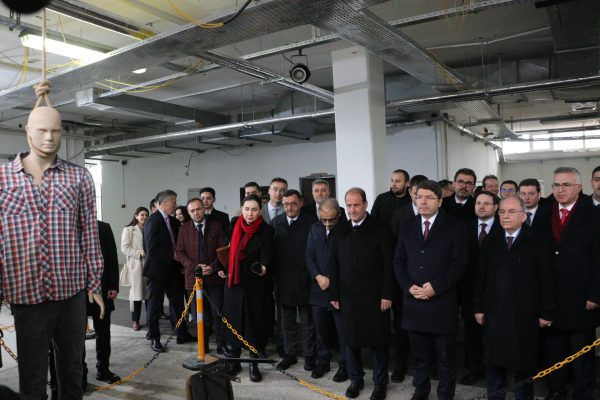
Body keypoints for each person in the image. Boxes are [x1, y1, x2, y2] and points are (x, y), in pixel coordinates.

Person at [0, 100, 104, 400]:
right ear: (27, 132)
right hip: (26, 295)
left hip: (71, 293)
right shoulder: (3, 179)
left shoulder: (79, 177)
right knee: (31, 378)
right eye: (42, 130)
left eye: (56, 131)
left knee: (72, 372)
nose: (49, 137)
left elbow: (89, 233)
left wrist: (94, 283)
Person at [474, 196, 556, 400]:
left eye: (511, 212)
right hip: (495, 314)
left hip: (525, 316)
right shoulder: (492, 240)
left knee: (523, 367)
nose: (505, 216)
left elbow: (547, 280)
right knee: (494, 366)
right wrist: (478, 307)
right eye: (502, 212)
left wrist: (547, 312)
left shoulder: (537, 241)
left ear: (523, 216)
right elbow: (480, 276)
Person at [394, 180, 468, 400]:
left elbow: (459, 264)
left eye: (429, 197)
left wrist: (436, 287)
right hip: (414, 302)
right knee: (419, 357)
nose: (423, 202)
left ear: (440, 201)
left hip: (441, 303)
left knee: (445, 358)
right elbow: (398, 261)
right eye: (419, 197)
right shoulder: (407, 226)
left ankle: (445, 395)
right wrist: (408, 287)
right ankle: (421, 392)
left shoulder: (455, 226)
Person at [537, 167, 600, 400]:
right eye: (556, 185)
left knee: (581, 354)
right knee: (554, 351)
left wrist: (595, 294)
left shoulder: (593, 215)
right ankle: (557, 390)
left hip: (581, 299)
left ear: (579, 188)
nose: (560, 190)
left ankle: (583, 394)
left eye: (566, 185)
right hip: (551, 299)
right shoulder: (544, 214)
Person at [329, 188, 394, 400]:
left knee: (378, 342)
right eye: (349, 205)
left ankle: (380, 383)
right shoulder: (340, 230)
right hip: (347, 298)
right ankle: (356, 380)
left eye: (356, 205)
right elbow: (333, 265)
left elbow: (389, 265)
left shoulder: (381, 228)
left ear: (365, 204)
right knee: (350, 342)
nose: (352, 209)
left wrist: (387, 294)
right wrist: (334, 295)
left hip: (375, 298)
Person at [223, 194, 275, 383]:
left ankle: (254, 363)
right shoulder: (234, 225)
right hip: (234, 284)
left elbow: (268, 254)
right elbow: (227, 248)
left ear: (260, 211)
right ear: (242, 209)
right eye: (246, 209)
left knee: (254, 324)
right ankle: (235, 362)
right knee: (234, 323)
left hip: (255, 284)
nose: (250, 213)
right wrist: (221, 266)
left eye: (254, 210)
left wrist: (264, 266)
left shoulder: (266, 230)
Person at [175, 198, 229, 355]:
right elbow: (179, 252)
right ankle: (203, 345)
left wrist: (213, 267)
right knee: (200, 315)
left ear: (204, 209)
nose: (196, 213)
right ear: (188, 212)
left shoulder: (216, 226)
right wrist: (195, 267)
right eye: (192, 211)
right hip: (193, 279)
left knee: (218, 313)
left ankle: (221, 344)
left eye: (198, 209)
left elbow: (223, 249)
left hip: (214, 278)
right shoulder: (184, 229)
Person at [144, 189, 195, 353]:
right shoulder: (152, 221)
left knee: (178, 303)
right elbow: (151, 248)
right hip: (157, 271)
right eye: (173, 202)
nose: (175, 205)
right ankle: (154, 337)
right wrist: (172, 255)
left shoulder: (173, 221)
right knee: (155, 306)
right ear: (165, 203)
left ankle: (181, 333)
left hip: (173, 270)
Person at [459, 191, 501, 386]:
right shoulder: (464, 228)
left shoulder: (503, 228)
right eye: (478, 203)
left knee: (495, 333)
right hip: (469, 291)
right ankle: (474, 369)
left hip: (496, 291)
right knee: (472, 334)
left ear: (496, 207)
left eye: (486, 203)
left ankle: (496, 371)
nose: (481, 207)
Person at [273, 190, 317, 371]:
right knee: (287, 322)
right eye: (286, 204)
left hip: (306, 279)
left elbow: (315, 251)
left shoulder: (311, 222)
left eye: (293, 203)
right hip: (284, 280)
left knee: (307, 322)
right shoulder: (276, 222)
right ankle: (290, 354)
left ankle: (309, 356)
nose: (289, 207)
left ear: (300, 203)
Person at [305, 198, 348, 381]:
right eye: (324, 220)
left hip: (340, 290)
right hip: (319, 290)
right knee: (321, 331)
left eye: (332, 220)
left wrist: (333, 280)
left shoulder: (346, 229)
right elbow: (309, 256)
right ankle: (323, 362)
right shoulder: (314, 228)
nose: (328, 224)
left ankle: (345, 366)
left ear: (339, 214)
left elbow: (348, 260)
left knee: (343, 332)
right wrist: (318, 276)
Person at [84, 221, 121, 384]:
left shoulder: (103, 227)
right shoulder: (69, 225)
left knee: (104, 333)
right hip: (77, 291)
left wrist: (113, 285)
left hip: (102, 288)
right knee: (76, 337)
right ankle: (80, 373)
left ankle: (103, 369)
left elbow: (112, 257)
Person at [121, 207, 149, 331]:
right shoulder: (128, 229)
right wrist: (139, 253)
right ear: (136, 216)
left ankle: (150, 320)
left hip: (150, 265)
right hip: (136, 266)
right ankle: (135, 320)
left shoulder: (149, 228)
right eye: (142, 215)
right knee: (136, 296)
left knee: (150, 295)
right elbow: (124, 248)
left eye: (146, 215)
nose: (144, 217)